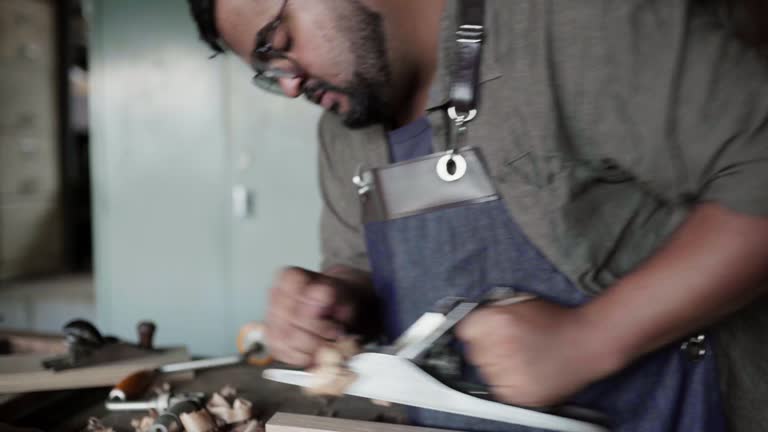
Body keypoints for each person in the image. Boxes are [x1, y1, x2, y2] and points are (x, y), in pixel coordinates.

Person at [186, 1, 768, 431]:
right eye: (267, 73)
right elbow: (354, 264)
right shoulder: (344, 133)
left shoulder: (570, 26)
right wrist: (330, 302)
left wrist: (590, 339)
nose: (288, 86)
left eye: (279, 41)